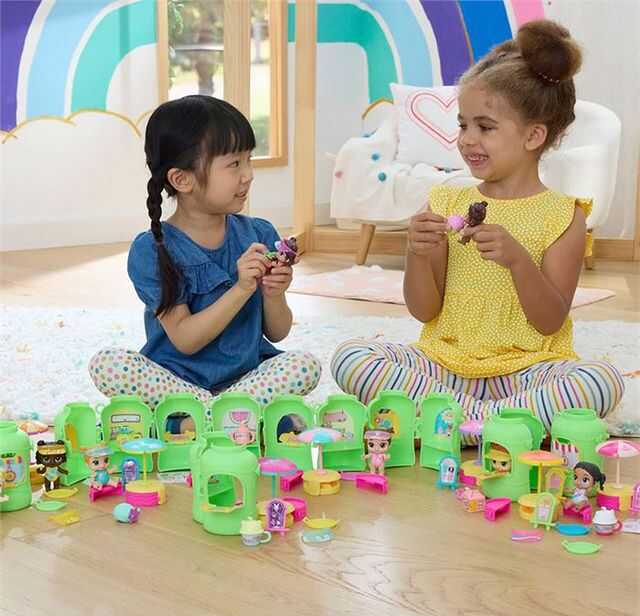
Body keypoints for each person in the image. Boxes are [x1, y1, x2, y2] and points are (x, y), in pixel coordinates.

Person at [331, 20, 624, 434]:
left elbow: (549, 322)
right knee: (351, 357)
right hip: (443, 366)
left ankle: (452, 422)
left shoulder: (564, 216)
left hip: (526, 371)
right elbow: (424, 310)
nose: (467, 139)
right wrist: (416, 253)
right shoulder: (445, 201)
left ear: (533, 136)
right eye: (463, 125)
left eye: (484, 127)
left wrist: (519, 261)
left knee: (599, 380)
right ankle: (496, 426)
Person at [89, 96, 320, 410]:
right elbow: (186, 340)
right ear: (182, 179)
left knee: (304, 366)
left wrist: (274, 293)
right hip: (176, 382)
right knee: (108, 364)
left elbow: (277, 333)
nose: (248, 174)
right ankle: (222, 412)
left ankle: (203, 414)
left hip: (247, 379)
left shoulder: (260, 234)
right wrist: (241, 289)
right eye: (234, 164)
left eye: (249, 159)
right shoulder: (152, 250)